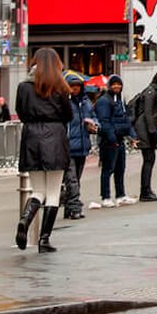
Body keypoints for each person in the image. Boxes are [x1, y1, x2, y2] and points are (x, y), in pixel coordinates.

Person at [15, 48, 72, 252]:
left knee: (37, 190)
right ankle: (44, 240)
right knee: (53, 192)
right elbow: (68, 115)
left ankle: (25, 219)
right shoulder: (60, 87)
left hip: (31, 137)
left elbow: (20, 112)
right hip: (55, 136)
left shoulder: (23, 87)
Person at [128, 70, 157, 202]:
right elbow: (148, 114)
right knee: (149, 160)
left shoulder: (151, 91)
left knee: (149, 160)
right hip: (145, 130)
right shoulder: (151, 93)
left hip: (145, 129)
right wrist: (152, 133)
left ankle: (146, 190)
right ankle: (145, 191)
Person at [93, 75, 133, 207]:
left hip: (119, 139)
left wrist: (132, 135)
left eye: (119, 84)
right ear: (109, 86)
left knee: (120, 168)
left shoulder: (119, 100)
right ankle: (106, 197)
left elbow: (125, 119)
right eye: (114, 84)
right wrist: (112, 138)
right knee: (108, 169)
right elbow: (105, 122)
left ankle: (120, 195)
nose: (117, 86)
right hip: (109, 141)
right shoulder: (104, 101)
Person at [60, 74, 96, 220]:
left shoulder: (86, 103)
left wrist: (94, 125)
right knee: (72, 180)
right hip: (68, 146)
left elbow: (94, 117)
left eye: (78, 86)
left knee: (76, 180)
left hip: (82, 145)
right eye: (72, 86)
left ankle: (69, 207)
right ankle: (75, 207)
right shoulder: (64, 103)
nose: (75, 89)